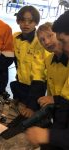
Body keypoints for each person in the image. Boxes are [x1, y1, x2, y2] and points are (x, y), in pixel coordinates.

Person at [26, 11, 69, 150]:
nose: (47, 42)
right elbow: (41, 82)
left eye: (50, 36)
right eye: (42, 40)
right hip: (58, 112)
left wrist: (49, 136)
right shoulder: (48, 60)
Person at [9, 6, 49, 120]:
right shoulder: (15, 38)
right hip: (20, 85)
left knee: (30, 118)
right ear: (18, 21)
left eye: (30, 21)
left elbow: (39, 76)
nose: (26, 24)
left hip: (36, 88)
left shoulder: (41, 42)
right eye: (22, 20)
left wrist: (31, 106)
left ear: (36, 22)